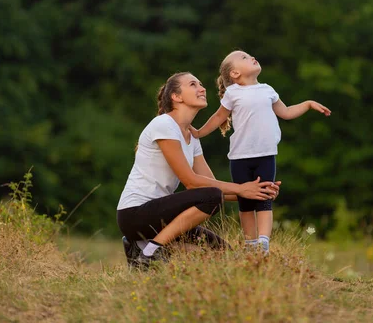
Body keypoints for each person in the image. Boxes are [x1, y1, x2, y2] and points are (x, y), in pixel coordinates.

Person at [117, 71, 281, 270]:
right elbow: (192, 182)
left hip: (162, 216)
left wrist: (257, 192)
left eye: (201, 84)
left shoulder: (192, 137)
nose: (202, 88)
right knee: (210, 196)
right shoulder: (164, 124)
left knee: (225, 255)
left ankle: (137, 248)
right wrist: (241, 189)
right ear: (176, 97)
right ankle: (151, 252)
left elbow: (214, 187)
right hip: (135, 214)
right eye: (193, 84)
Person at [190, 50, 331, 254]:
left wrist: (308, 104)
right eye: (244, 58)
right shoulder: (233, 93)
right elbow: (218, 117)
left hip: (266, 155)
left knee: (264, 199)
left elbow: (287, 112)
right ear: (235, 74)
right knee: (245, 202)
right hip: (240, 157)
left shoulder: (268, 90)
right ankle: (250, 244)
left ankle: (263, 243)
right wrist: (199, 132)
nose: (251, 57)